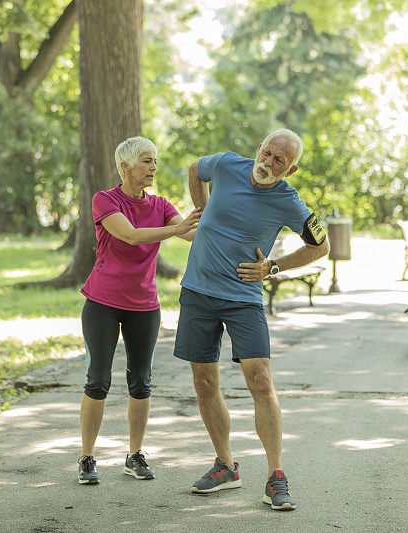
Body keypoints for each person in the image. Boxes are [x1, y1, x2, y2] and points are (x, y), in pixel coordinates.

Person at [173, 129, 329, 511]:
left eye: (279, 160)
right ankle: (225, 465)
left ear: (290, 169)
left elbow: (321, 245)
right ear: (259, 147)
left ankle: (276, 476)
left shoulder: (288, 200)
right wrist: (202, 209)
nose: (268, 162)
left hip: (243, 298)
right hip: (198, 291)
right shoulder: (226, 164)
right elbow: (195, 169)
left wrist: (272, 267)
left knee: (260, 380)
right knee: (203, 381)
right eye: (267, 152)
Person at [77, 136, 201, 485]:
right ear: (125, 166)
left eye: (155, 161)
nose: (153, 167)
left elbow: (190, 232)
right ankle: (87, 457)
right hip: (101, 303)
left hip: (144, 307)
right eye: (147, 161)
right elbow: (130, 235)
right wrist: (177, 229)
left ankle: (135, 455)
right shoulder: (105, 200)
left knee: (141, 381)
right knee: (98, 380)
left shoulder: (160, 203)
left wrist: (217, 221)